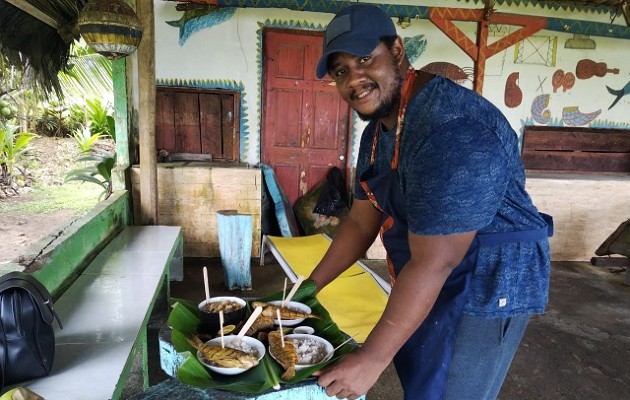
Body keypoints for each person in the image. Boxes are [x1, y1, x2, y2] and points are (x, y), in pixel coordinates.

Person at [307, 4, 552, 400]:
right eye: (341, 71)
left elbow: (436, 261)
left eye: (365, 59)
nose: (355, 79)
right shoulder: (376, 135)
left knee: (453, 390)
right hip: (428, 269)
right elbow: (358, 223)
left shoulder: (451, 129)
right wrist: (305, 291)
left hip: (488, 281)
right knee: (423, 378)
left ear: (398, 51)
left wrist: (371, 359)